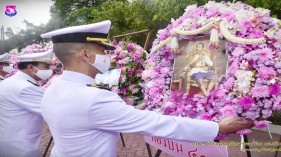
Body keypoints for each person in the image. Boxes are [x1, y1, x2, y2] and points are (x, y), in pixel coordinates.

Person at [40, 20, 254, 157]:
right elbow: (158, 124)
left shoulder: (53, 89)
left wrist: (135, 110)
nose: (108, 56)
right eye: (102, 51)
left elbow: (93, 120)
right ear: (86, 55)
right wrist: (217, 128)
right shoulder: (93, 98)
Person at [0, 50, 53, 157]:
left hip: (9, 139)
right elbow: (52, 111)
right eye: (46, 67)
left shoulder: (11, 81)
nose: (49, 70)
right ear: (30, 67)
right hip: (20, 146)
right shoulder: (25, 87)